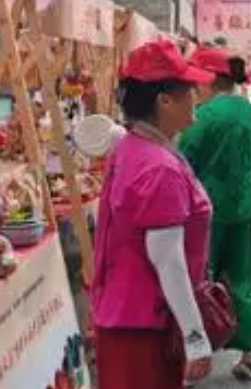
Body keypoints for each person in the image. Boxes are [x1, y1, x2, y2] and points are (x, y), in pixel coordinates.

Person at [90, 38, 217, 389]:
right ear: (164, 100)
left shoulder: (133, 147)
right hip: (145, 324)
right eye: (188, 90)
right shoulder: (159, 167)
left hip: (126, 316)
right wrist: (195, 336)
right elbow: (168, 260)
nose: (196, 97)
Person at [180, 48, 251, 382]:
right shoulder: (245, 108)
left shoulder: (204, 115)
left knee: (198, 281)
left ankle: (194, 360)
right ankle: (250, 355)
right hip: (241, 204)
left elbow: (182, 158)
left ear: (209, 79)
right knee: (241, 279)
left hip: (206, 210)